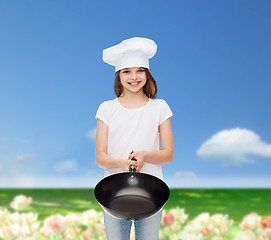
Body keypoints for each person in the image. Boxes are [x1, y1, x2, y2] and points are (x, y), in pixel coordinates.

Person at [95, 37, 174, 240]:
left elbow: (168, 154)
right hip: (115, 192)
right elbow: (100, 157)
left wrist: (145, 155)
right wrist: (122, 163)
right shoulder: (107, 108)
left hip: (151, 193)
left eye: (140, 70)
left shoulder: (160, 107)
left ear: (147, 73)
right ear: (118, 75)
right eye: (126, 71)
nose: (134, 77)